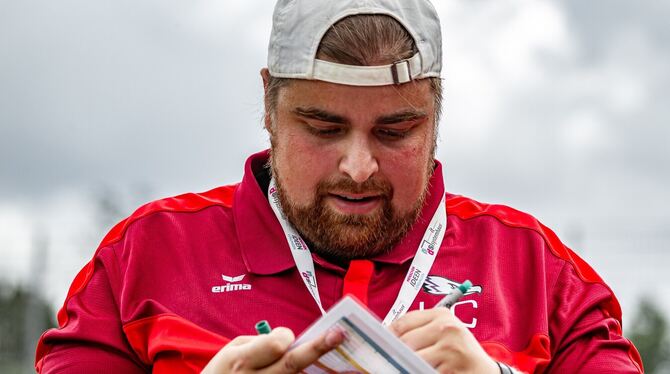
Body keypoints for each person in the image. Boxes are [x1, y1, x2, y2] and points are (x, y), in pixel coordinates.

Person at [35, 0, 643, 373]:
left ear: (437, 113)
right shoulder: (143, 259)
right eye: (323, 127)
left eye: (395, 130)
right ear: (269, 104)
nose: (358, 166)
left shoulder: (540, 274)